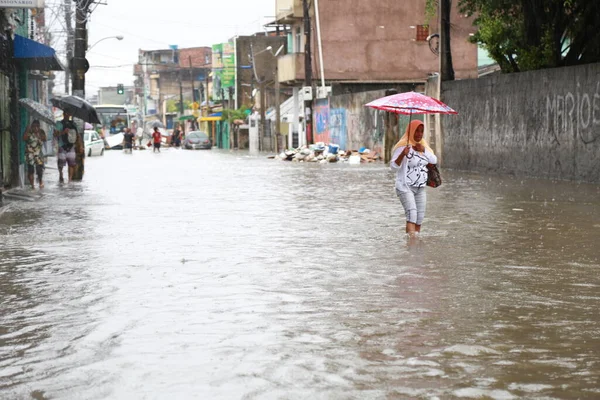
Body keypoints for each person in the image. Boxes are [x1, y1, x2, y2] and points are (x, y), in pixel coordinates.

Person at [390, 120, 438, 237]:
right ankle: (411, 246)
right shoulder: (402, 146)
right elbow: (393, 167)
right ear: (411, 131)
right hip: (405, 187)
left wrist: (423, 150)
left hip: (420, 188)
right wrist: (402, 154)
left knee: (419, 217)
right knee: (412, 214)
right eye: (416, 131)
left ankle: (415, 249)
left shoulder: (423, 146)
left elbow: (434, 160)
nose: (419, 134)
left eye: (421, 131)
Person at [23, 120, 47, 189]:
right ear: (31, 126)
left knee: (39, 170)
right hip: (30, 153)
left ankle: (40, 182)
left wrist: (39, 135)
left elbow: (45, 139)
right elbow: (24, 138)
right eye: (34, 126)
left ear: (39, 126)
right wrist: (27, 130)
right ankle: (32, 185)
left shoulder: (41, 132)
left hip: (38, 154)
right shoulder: (29, 132)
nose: (35, 128)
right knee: (31, 170)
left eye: (37, 126)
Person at [56, 112, 78, 183]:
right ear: (63, 114)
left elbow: (77, 135)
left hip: (71, 146)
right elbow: (55, 134)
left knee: (71, 164)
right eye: (65, 113)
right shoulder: (59, 124)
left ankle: (70, 179)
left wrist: (78, 144)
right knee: (61, 163)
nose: (67, 115)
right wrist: (63, 132)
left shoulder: (73, 124)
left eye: (68, 114)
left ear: (70, 115)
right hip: (62, 145)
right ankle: (61, 174)